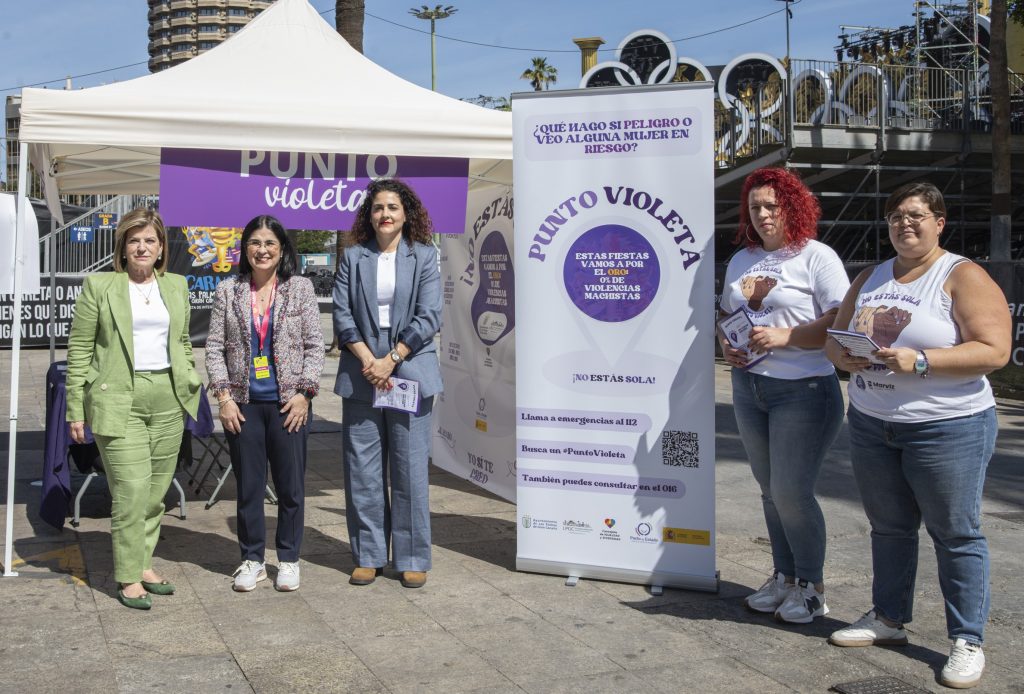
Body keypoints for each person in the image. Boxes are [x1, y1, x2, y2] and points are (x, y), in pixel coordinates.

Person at [825, 182, 1010, 689]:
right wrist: (845, 355)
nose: (904, 225)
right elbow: (836, 343)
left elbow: (995, 350)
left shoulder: (962, 276)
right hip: (871, 421)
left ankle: (967, 639)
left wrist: (923, 360)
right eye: (895, 217)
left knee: (956, 532)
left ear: (939, 222)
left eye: (915, 216)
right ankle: (888, 619)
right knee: (888, 527)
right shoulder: (870, 276)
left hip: (948, 427)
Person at [719, 167, 850, 624]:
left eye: (772, 205)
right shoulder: (742, 261)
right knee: (770, 492)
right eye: (755, 207)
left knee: (792, 492)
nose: (762, 214)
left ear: (791, 206)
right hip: (749, 386)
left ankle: (811, 587)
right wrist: (726, 345)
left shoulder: (817, 257)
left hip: (805, 390)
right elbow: (727, 313)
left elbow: (840, 322)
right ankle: (785, 577)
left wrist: (786, 337)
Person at [65, 208, 202, 610]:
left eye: (150, 241)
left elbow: (183, 341)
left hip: (168, 396)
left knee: (157, 493)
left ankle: (143, 564)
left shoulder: (176, 285)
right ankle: (127, 575)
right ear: (122, 246)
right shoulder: (100, 285)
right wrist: (76, 408)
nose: (142, 247)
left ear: (161, 248)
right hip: (118, 397)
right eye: (134, 240)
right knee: (131, 490)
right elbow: (79, 351)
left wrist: (189, 376)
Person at [332, 178, 442, 589]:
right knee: (363, 469)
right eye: (378, 208)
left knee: (410, 470)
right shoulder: (353, 255)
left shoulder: (424, 256)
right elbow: (342, 314)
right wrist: (368, 359)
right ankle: (368, 554)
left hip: (409, 368)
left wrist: (392, 358)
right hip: (362, 373)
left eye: (393, 207)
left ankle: (412, 556)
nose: (385, 215)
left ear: (406, 213)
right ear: (369, 214)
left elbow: (430, 316)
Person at [206, 215, 324, 592]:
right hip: (243, 405)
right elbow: (213, 348)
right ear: (246, 249)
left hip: (289, 405)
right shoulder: (229, 290)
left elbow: (314, 346)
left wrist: (305, 394)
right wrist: (224, 398)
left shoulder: (300, 288)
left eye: (270, 243)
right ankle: (252, 559)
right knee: (249, 488)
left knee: (290, 488)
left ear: (282, 248)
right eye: (255, 243)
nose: (262, 250)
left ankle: (288, 558)